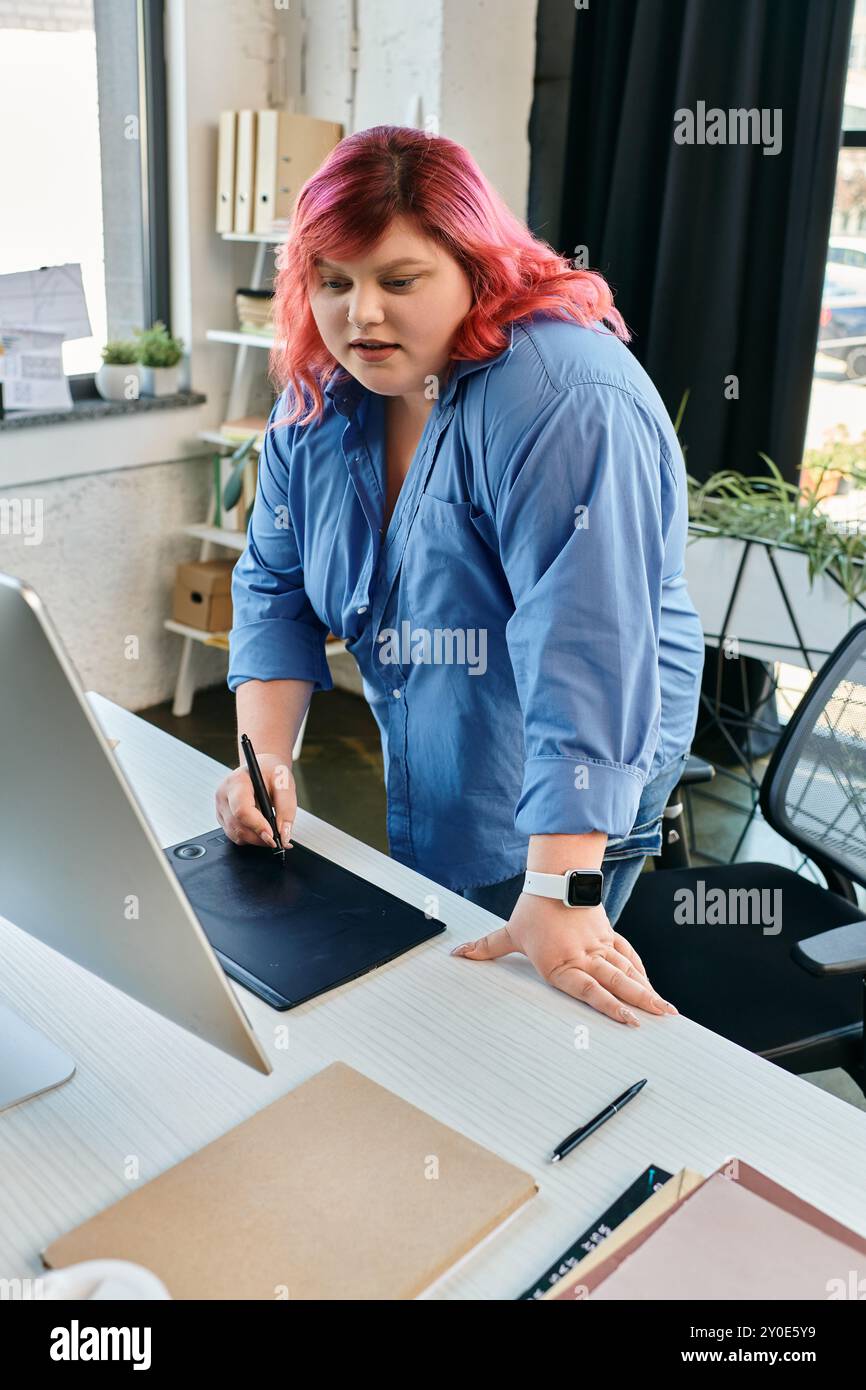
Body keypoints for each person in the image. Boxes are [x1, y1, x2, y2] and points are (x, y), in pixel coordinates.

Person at [216, 125, 705, 1028]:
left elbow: (586, 650)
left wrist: (560, 886)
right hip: (439, 743)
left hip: (572, 773)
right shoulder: (319, 397)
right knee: (449, 1002)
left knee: (522, 1024)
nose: (360, 314)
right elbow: (274, 588)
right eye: (333, 281)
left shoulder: (565, 399)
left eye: (399, 281)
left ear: (478, 267)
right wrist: (264, 759)